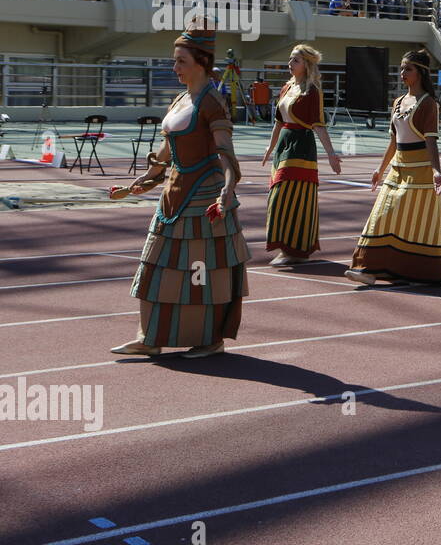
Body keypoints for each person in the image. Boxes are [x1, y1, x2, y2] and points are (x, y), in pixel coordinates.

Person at [109, 22, 249, 358]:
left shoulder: (212, 101)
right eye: (174, 61)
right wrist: (137, 184)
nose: (175, 68)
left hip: (204, 201)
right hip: (171, 197)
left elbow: (225, 152)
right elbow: (165, 152)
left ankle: (209, 339)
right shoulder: (181, 98)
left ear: (200, 62)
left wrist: (227, 190)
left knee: (200, 276)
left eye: (180, 62)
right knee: (154, 267)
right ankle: (149, 337)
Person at [345, 50, 441, 286]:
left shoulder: (429, 104)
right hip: (397, 169)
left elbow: (431, 140)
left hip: (420, 171)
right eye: (401, 69)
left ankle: (421, 273)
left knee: (414, 222)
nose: (402, 74)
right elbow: (393, 141)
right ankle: (366, 268)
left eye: (407, 69)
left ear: (420, 72)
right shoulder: (398, 102)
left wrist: (436, 171)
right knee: (381, 215)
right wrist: (379, 170)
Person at [261, 45, 342, 266]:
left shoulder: (312, 91)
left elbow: (319, 126)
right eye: (290, 59)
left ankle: (295, 249)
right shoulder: (287, 87)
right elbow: (278, 122)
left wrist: (332, 155)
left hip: (301, 147)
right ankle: (286, 247)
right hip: (283, 147)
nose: (290, 63)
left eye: (295, 60)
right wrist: (270, 148)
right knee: (276, 197)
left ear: (306, 65)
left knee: (289, 197)